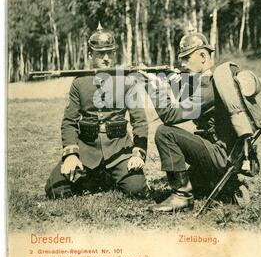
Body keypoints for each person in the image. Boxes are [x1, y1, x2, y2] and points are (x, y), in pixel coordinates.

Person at [142, 31, 245, 213]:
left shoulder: (207, 89)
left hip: (219, 155)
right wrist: (172, 80)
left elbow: (170, 115)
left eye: (186, 58)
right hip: (226, 154)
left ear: (203, 56)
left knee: (164, 132)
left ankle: (181, 197)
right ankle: (227, 186)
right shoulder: (212, 82)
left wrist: (153, 87)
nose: (182, 64)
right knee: (196, 182)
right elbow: (188, 95)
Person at [45, 23, 148, 199]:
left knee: (136, 190)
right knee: (56, 190)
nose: (106, 58)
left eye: (110, 52)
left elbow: (140, 121)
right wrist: (71, 155)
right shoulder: (79, 83)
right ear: (90, 54)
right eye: (100, 53)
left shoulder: (127, 81)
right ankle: (99, 176)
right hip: (87, 151)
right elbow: (69, 122)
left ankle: (105, 176)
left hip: (119, 151)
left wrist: (138, 153)